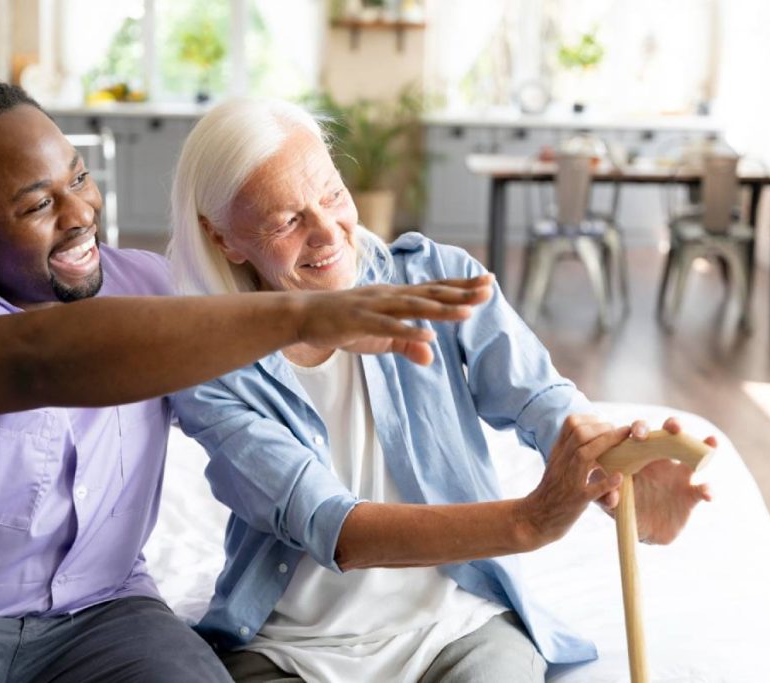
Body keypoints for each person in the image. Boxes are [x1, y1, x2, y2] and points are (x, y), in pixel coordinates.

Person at [0, 80, 495, 683]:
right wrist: (300, 313)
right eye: (37, 205)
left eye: (79, 178)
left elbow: (253, 376)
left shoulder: (151, 286)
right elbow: (38, 358)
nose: (80, 211)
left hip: (104, 614)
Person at [167, 98, 718, 683]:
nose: (329, 233)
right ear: (224, 239)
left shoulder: (435, 277)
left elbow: (538, 397)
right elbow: (333, 527)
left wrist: (614, 462)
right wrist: (529, 521)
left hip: (459, 625)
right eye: (286, 221)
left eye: (331, 195)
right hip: (291, 647)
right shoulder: (209, 364)